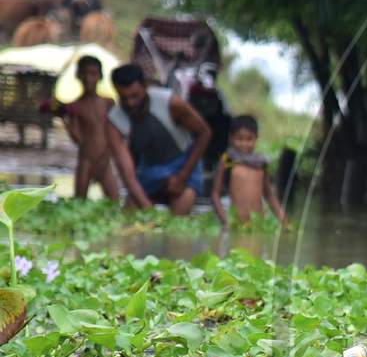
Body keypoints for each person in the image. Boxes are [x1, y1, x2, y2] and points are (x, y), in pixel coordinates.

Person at [104, 63, 212, 214]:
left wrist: (182, 177)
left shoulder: (170, 102)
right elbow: (126, 172)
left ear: (145, 87)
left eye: (135, 96)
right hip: (149, 169)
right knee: (130, 216)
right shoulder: (114, 120)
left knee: (178, 218)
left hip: (183, 164)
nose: (130, 103)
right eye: (124, 98)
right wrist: (149, 211)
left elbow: (204, 133)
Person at [49, 54, 119, 199]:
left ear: (100, 76)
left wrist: (108, 157)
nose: (88, 79)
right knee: (79, 202)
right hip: (85, 161)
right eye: (84, 74)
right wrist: (64, 118)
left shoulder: (108, 103)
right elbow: (77, 139)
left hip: (105, 161)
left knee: (114, 201)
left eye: (93, 74)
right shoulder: (75, 107)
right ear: (78, 76)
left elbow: (115, 134)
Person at [210, 116, 287, 228]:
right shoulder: (228, 159)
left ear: (256, 139)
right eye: (239, 139)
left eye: (249, 139)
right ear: (231, 138)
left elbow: (269, 195)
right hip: (235, 223)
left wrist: (284, 221)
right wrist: (226, 221)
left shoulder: (261, 163)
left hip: (258, 224)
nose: (244, 144)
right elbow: (215, 194)